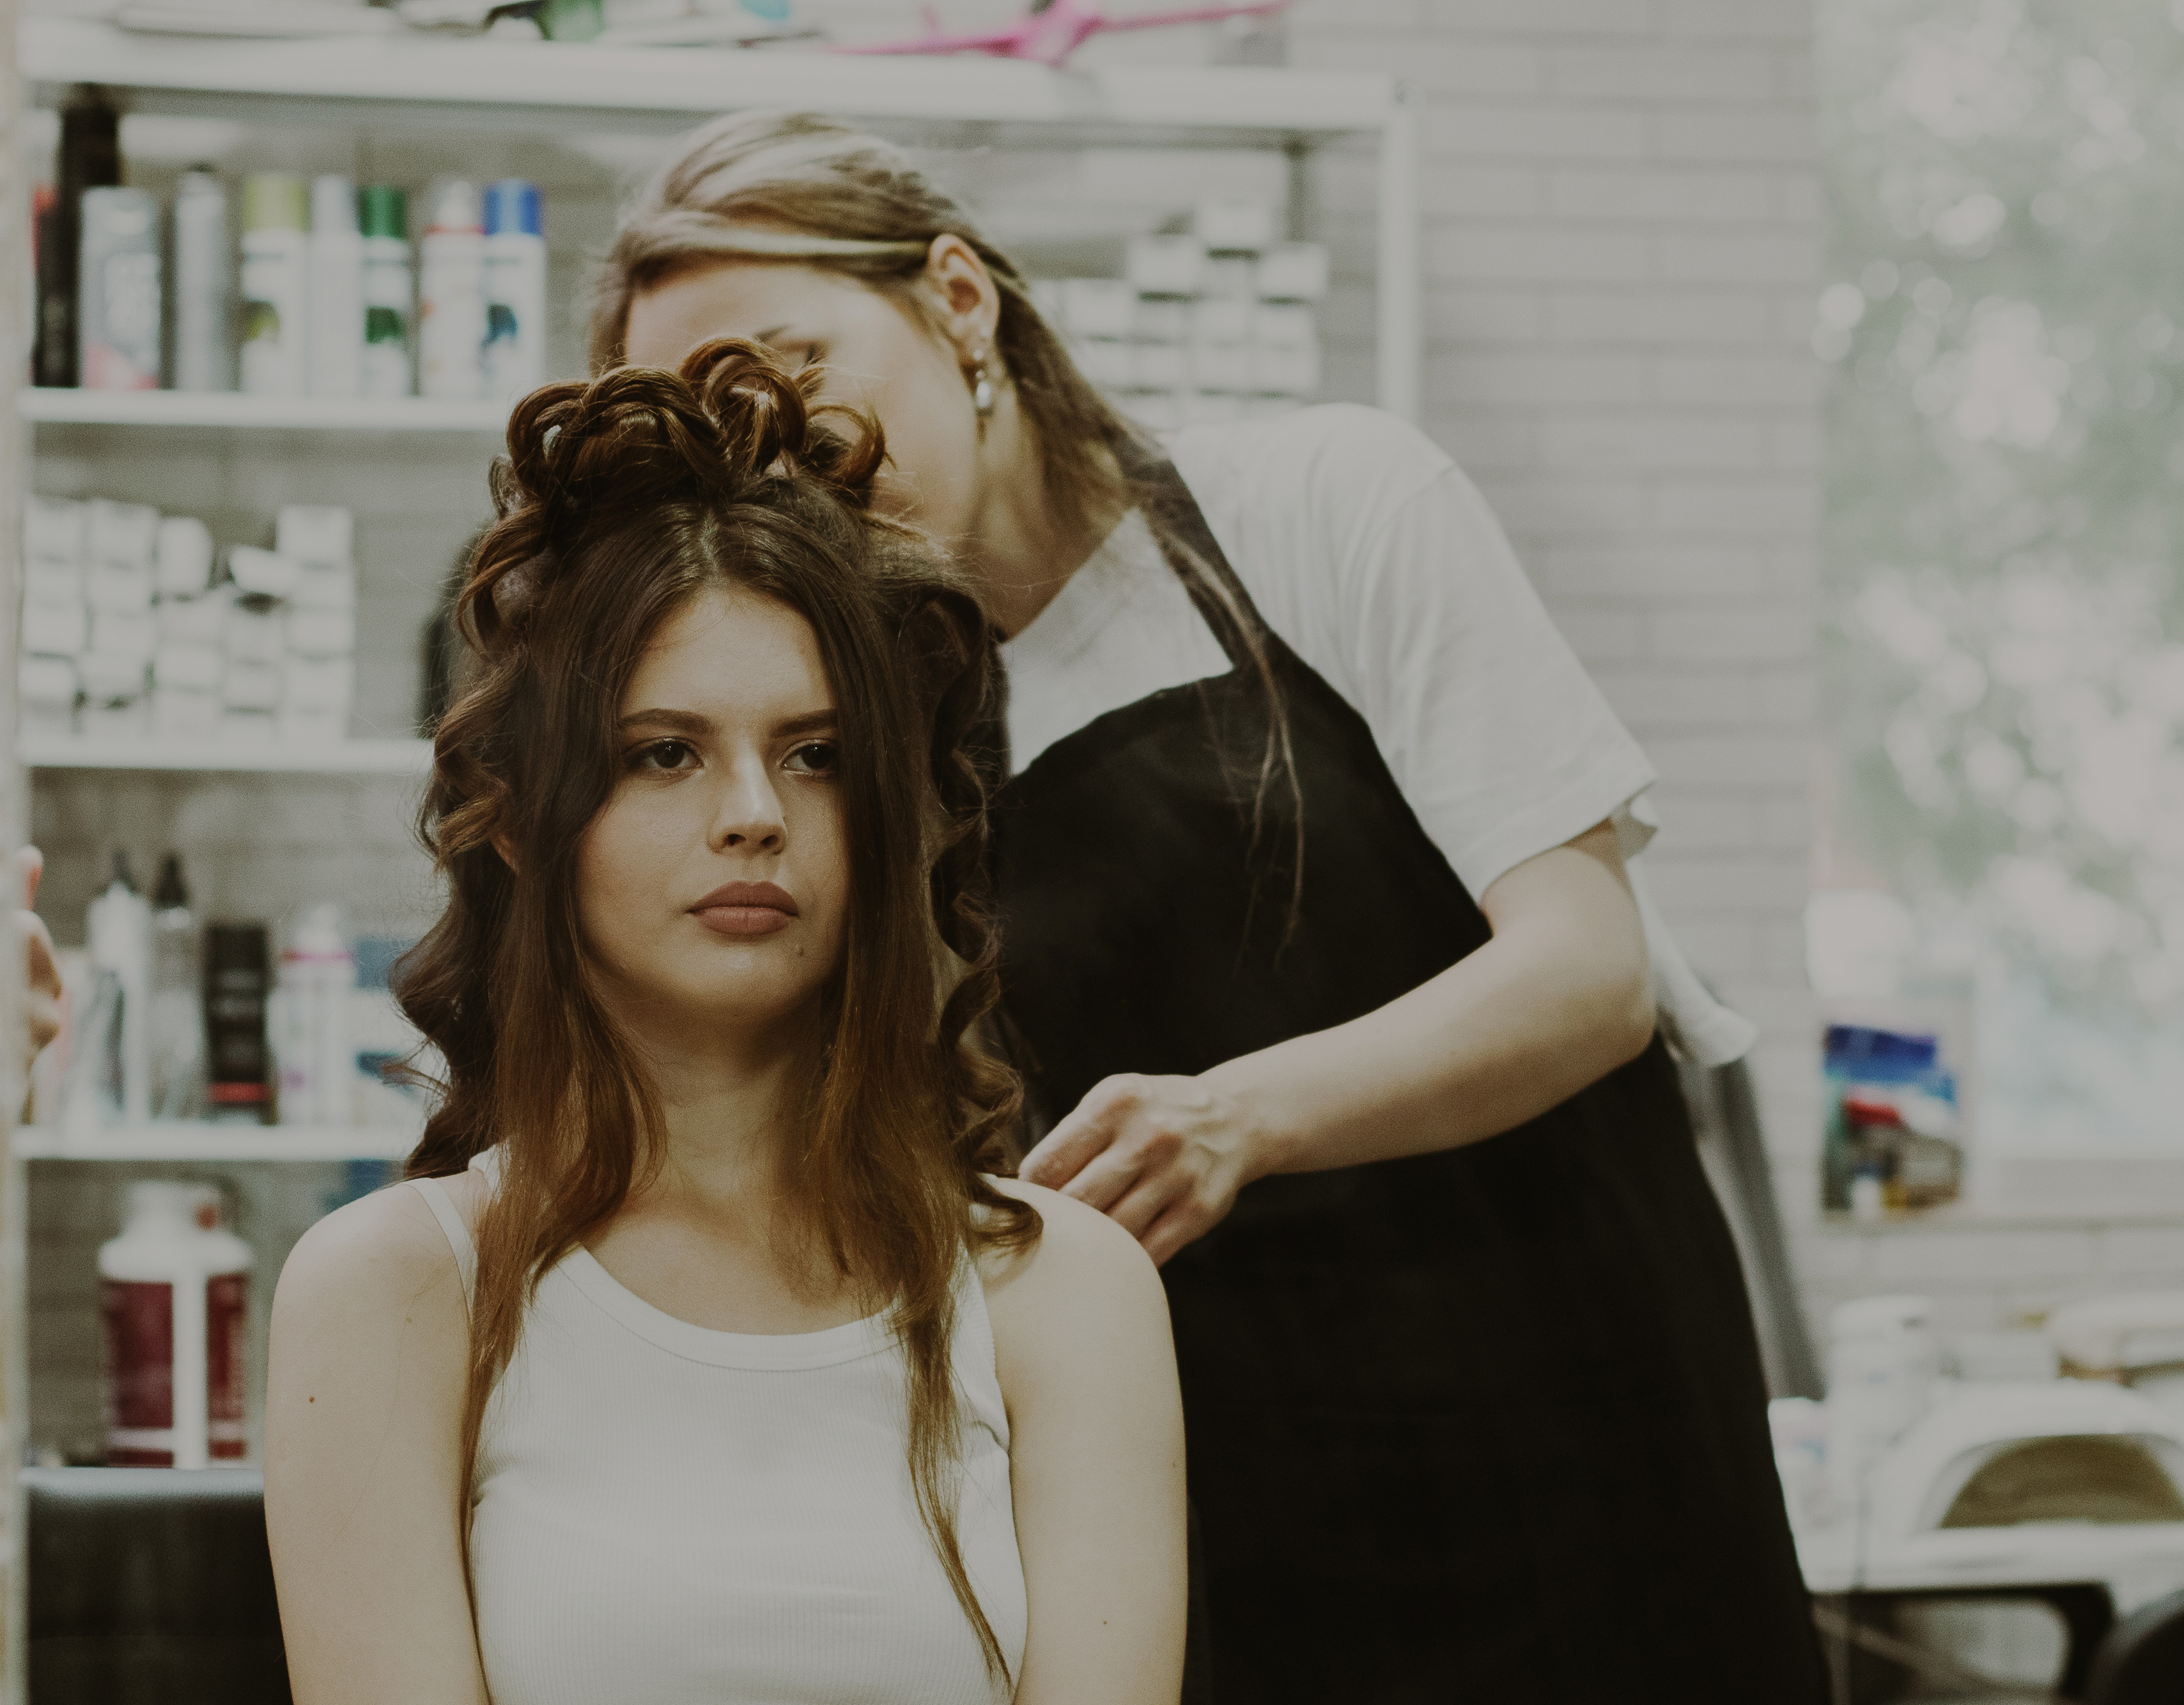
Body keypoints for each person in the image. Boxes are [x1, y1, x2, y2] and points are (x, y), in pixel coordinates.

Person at [603, 113, 1825, 1702]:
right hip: (1223, 1485)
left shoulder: (1319, 505)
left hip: (1579, 1395)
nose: (784, 447)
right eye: (721, 423)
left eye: (795, 360)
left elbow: (1589, 972)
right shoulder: (847, 742)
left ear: (957, 300)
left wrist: (1238, 1117)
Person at [261, 342, 1187, 1705]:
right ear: (521, 820)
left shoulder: (1064, 1293)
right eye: (664, 752)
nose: (754, 809)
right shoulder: (396, 1293)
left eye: (814, 755)